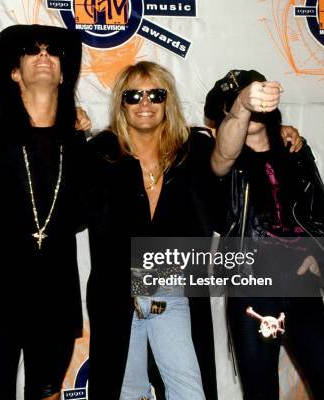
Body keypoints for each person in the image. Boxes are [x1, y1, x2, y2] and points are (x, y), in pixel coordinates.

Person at [207, 69, 324, 399]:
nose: (250, 108)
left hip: (302, 289)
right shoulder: (218, 155)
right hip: (253, 291)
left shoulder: (294, 148)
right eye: (237, 102)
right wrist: (242, 105)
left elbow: (318, 206)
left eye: (255, 99)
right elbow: (223, 155)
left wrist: (320, 253)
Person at [85, 61, 218, 400]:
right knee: (128, 393)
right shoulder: (100, 153)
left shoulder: (194, 150)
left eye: (155, 94)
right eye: (134, 96)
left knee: (189, 392)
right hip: (116, 292)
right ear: (121, 104)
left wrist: (281, 132)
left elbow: (232, 154)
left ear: (167, 101)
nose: (145, 103)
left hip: (169, 288)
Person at [0, 24, 85, 400]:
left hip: (56, 299)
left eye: (53, 52)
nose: (45, 56)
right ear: (15, 73)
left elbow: (85, 214)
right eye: (33, 51)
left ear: (64, 74)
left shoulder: (78, 142)